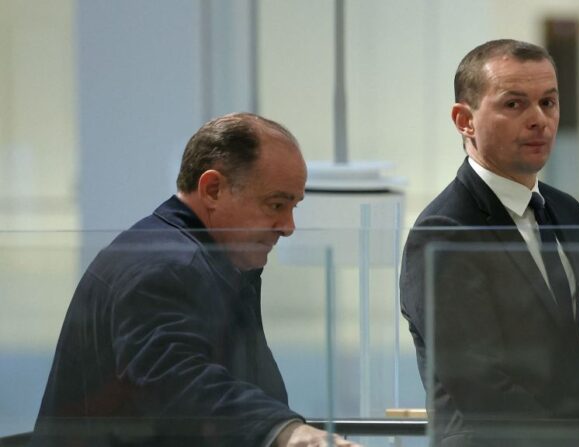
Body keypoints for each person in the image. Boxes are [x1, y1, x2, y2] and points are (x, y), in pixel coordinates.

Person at [31, 113, 360, 447]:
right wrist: (287, 432)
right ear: (213, 189)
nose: (288, 226)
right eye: (276, 203)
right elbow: (175, 382)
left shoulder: (193, 257)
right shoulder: (164, 265)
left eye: (293, 206)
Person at [400, 40, 579, 446]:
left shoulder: (567, 211)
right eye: (514, 105)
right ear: (464, 120)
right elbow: (480, 383)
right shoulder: (444, 231)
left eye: (548, 102)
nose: (539, 119)